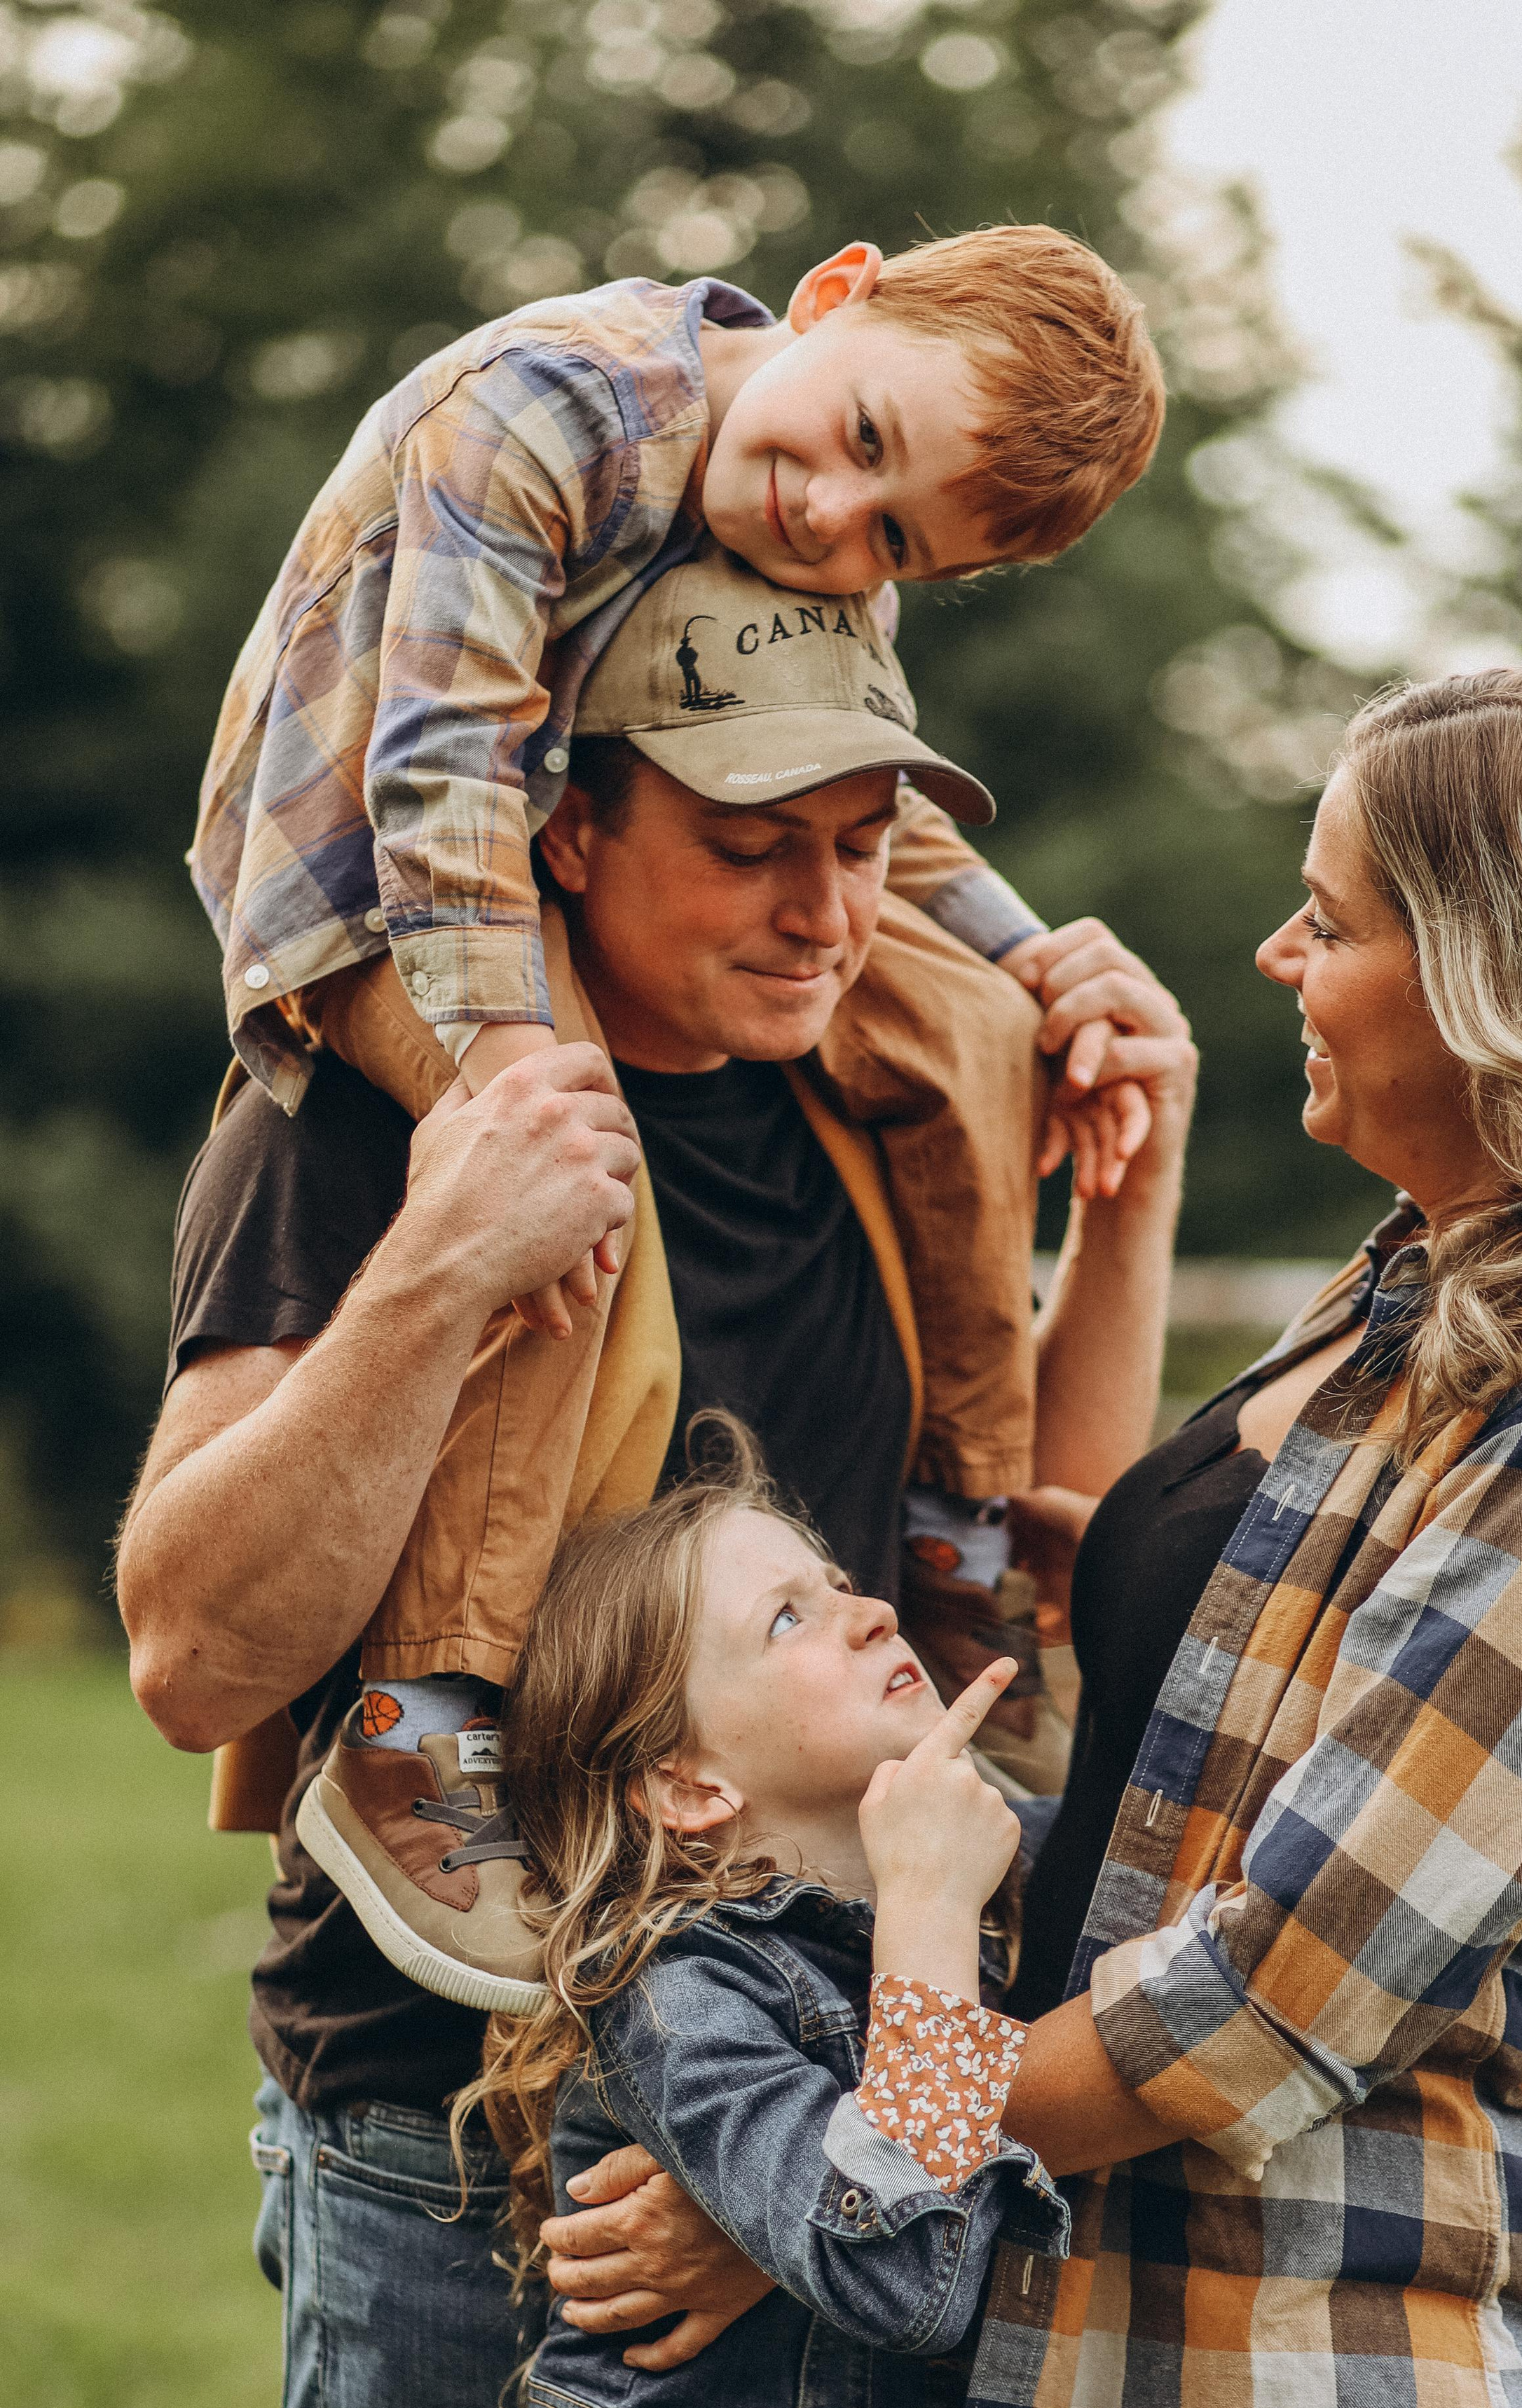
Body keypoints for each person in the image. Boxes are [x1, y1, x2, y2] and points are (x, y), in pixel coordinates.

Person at [546, 656, 1522, 2408]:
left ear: (1505, 972)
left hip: (1307, 2390)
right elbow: (1206, 1745)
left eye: (1344, 914)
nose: (1282, 949)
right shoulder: (1418, 1285)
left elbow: (1280, 1980)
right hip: (1155, 2371)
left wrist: (815, 2176)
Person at [118, 579, 1195, 2408]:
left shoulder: (867, 1113)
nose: (822, 908)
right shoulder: (360, 1118)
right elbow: (187, 1657)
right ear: (572, 830)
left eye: (861, 844)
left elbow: (1001, 1565)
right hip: (456, 2149)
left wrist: (1126, 1199)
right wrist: (439, 1272)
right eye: (748, 841)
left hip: (814, 2121)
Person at [188, 223, 1167, 1797]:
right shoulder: (542, 413)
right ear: (831, 295)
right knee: (547, 1164)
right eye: (860, 441)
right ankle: (425, 1722)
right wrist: (517, 1084)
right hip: (372, 884)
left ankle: (963, 1566)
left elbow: (884, 820)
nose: (833, 519)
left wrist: (1035, 969)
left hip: (836, 1962)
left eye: (896, 541)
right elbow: (448, 767)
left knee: (972, 1025)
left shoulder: (815, 555)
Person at [456, 1426, 1064, 2408]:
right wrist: (932, 1911)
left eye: (838, 1581)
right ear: (686, 1786)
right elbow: (904, 2276)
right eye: (788, 1618)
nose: (868, 1609)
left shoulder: (983, 1877)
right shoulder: (684, 1991)